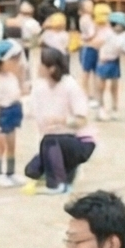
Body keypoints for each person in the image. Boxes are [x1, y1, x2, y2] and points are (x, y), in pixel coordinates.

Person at [21, 45, 99, 194]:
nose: (38, 67)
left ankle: (57, 183)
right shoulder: (39, 87)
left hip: (79, 140)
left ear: (51, 68)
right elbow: (32, 111)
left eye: (41, 64)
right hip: (52, 140)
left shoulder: (70, 86)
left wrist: (61, 120)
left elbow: (82, 120)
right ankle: (66, 170)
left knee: (50, 141)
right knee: (32, 170)